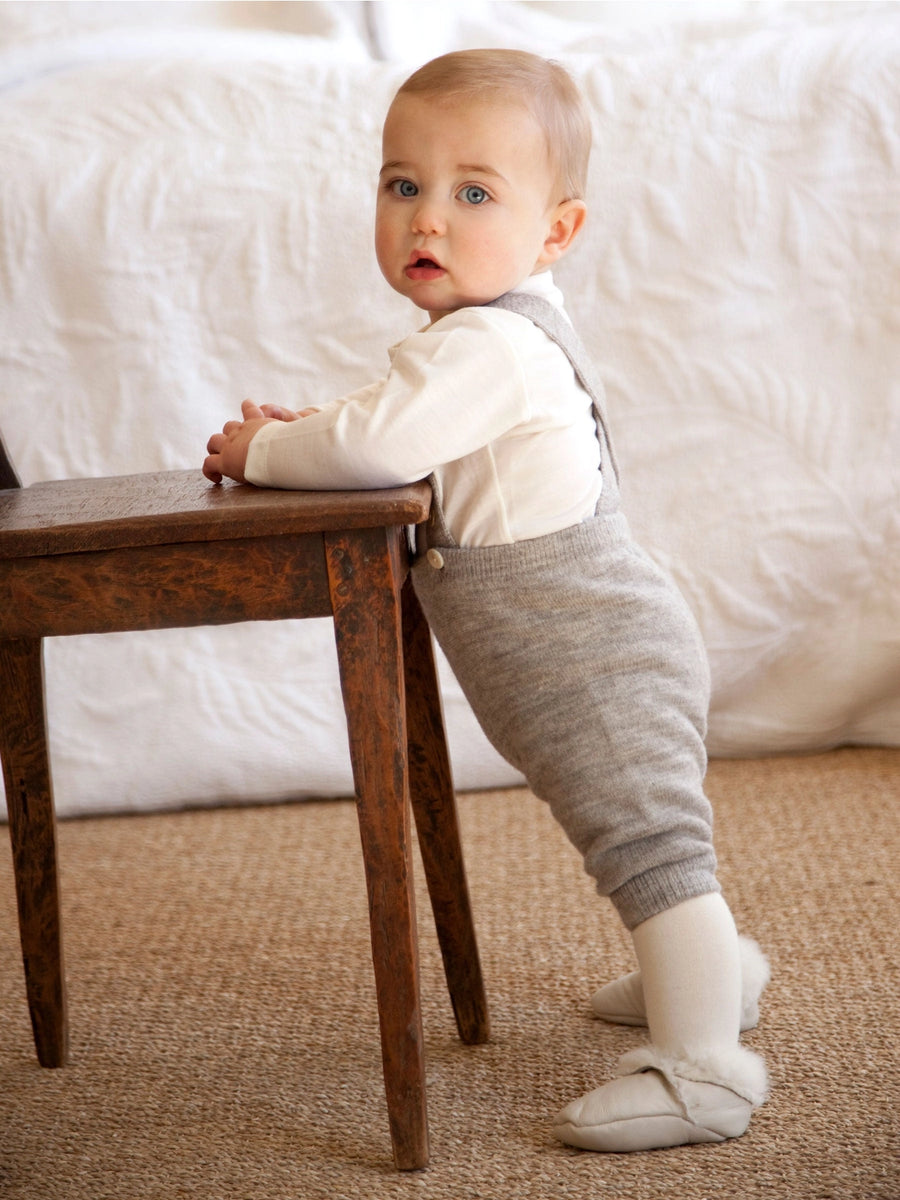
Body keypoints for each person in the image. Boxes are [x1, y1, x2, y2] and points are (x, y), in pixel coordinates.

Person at [203, 48, 770, 1154]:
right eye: (401, 184)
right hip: (578, 649)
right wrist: (317, 426)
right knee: (639, 843)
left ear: (556, 231)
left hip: (593, 655)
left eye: (474, 193)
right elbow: (389, 424)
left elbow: (377, 443)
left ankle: (708, 1070)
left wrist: (266, 446)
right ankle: (713, 977)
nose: (428, 218)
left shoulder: (495, 342)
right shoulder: (481, 341)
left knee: (650, 850)